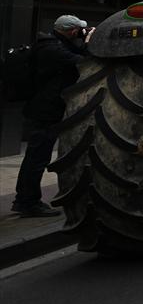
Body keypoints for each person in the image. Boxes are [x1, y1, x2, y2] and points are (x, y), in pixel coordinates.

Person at [12, 15, 91, 218]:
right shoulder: (52, 49)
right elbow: (83, 62)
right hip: (44, 112)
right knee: (36, 159)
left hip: (44, 110)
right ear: (72, 31)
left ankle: (25, 200)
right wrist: (89, 43)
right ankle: (27, 202)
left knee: (35, 157)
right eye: (79, 30)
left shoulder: (55, 45)